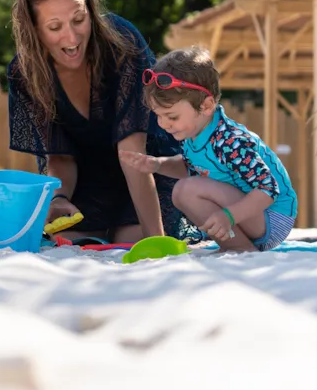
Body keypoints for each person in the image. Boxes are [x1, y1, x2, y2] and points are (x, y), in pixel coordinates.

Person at [7, 0, 201, 244]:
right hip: (85, 177)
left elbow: (133, 153)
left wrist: (156, 242)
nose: (72, 38)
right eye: (54, 27)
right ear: (34, 30)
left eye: (78, 19)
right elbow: (59, 156)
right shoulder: (24, 73)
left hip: (146, 164)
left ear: (91, 11)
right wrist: (59, 198)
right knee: (72, 238)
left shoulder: (123, 44)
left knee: (132, 237)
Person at [120, 47, 299, 252]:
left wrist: (229, 215)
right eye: (158, 115)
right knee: (183, 191)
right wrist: (155, 164)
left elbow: (268, 190)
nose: (163, 124)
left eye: (172, 116)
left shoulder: (230, 141)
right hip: (252, 216)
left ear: (206, 106)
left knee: (187, 189)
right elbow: (190, 167)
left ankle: (239, 248)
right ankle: (237, 247)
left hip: (273, 216)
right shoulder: (195, 136)